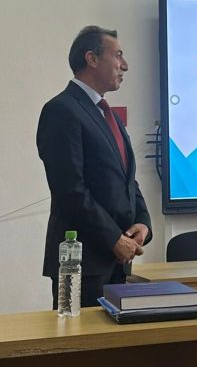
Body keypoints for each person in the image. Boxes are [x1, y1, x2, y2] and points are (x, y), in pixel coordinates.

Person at [37, 25, 152, 308]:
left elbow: (127, 180)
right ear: (92, 58)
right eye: (118, 55)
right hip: (81, 265)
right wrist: (113, 239)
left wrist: (143, 223)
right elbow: (70, 190)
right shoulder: (61, 110)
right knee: (81, 338)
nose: (125, 65)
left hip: (117, 263)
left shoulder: (107, 115)